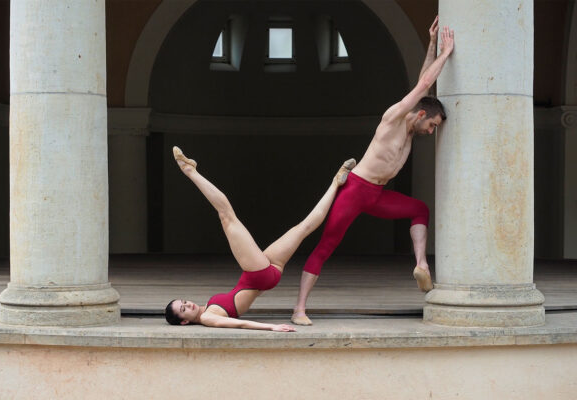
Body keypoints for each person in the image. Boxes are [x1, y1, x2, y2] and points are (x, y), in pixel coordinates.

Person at [291, 17, 455, 326]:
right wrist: (446, 53)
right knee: (326, 245)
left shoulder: (410, 129)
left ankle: (421, 264)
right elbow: (422, 86)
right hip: (355, 190)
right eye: (432, 125)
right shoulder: (394, 117)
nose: (432, 132)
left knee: (419, 209)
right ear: (421, 114)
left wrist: (432, 44)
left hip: (377, 195)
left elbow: (425, 84)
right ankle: (299, 308)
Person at [165, 146, 356, 331]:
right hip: (258, 274)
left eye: (184, 302)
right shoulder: (207, 317)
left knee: (303, 227)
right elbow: (240, 324)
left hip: (265, 273)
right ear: (184, 322)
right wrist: (271, 327)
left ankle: (335, 182)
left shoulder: (207, 307)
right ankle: (190, 171)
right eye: (183, 310)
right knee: (227, 216)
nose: (188, 305)